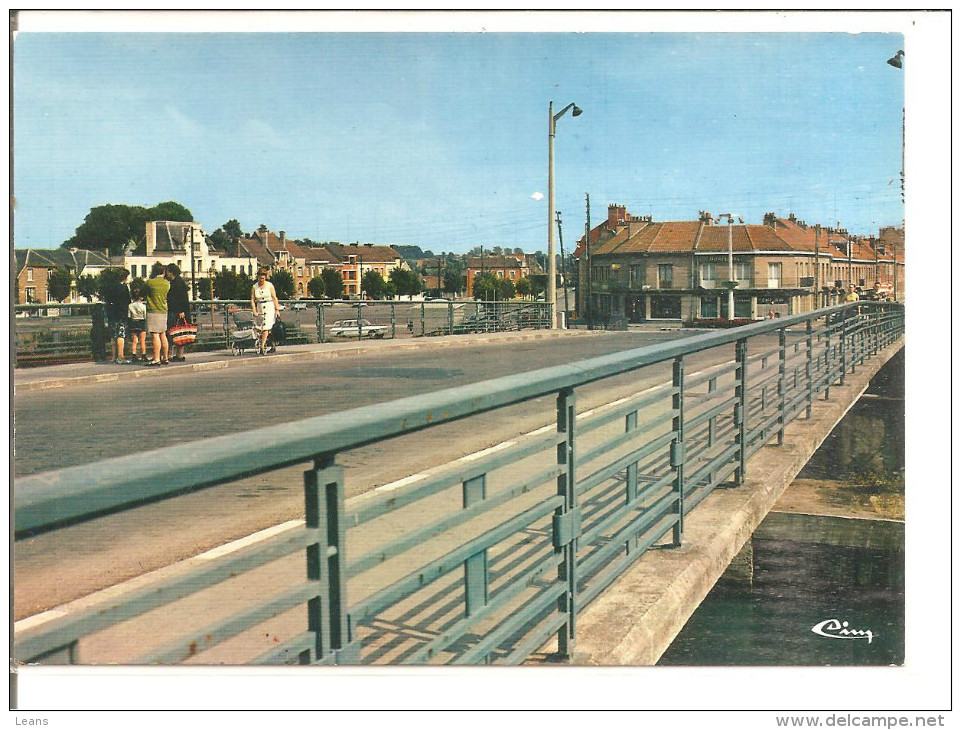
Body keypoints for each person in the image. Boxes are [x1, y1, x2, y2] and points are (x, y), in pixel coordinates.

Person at [103, 268, 132, 364]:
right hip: (121, 314)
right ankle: (120, 356)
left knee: (113, 336)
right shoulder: (123, 288)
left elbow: (106, 299)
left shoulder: (109, 286)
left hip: (111, 313)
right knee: (120, 335)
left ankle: (113, 356)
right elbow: (128, 301)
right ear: (124, 277)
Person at [144, 262, 170, 366]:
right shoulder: (166, 283)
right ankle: (165, 357)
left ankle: (156, 358)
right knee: (163, 334)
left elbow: (142, 292)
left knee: (155, 334)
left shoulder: (150, 282)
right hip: (163, 310)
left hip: (153, 310)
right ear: (163, 271)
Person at [165, 263, 191, 363]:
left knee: (175, 332)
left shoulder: (176, 283)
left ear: (171, 272)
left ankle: (175, 355)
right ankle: (179, 355)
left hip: (177, 312)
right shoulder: (179, 282)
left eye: (167, 271)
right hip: (180, 311)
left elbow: (180, 299)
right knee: (179, 333)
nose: (166, 274)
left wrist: (181, 311)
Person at [250, 268, 280, 355]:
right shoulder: (254, 287)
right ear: (258, 277)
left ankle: (262, 345)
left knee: (266, 327)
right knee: (262, 327)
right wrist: (254, 310)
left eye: (263, 278)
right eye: (260, 278)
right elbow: (252, 299)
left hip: (269, 306)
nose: (261, 280)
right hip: (260, 307)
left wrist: (277, 309)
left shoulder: (270, 285)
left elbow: (274, 297)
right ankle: (272, 344)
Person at [128, 286, 148, 363]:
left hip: (133, 322)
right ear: (141, 297)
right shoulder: (143, 306)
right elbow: (145, 316)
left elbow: (129, 316)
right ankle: (144, 355)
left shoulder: (130, 305)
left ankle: (134, 355)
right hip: (141, 322)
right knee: (142, 340)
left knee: (135, 340)